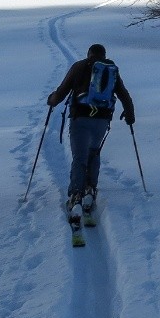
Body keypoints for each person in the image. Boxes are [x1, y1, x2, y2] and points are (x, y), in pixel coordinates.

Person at [47, 43, 135, 210]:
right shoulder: (111, 69)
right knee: (94, 152)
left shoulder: (79, 66)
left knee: (79, 156)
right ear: (104, 55)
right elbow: (124, 94)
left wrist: (51, 100)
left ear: (89, 54)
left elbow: (61, 93)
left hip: (80, 118)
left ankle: (76, 194)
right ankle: (90, 189)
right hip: (102, 120)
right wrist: (130, 114)